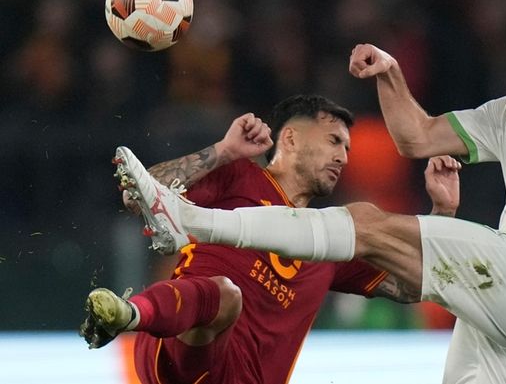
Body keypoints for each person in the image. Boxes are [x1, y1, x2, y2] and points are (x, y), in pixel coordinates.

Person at [111, 5, 506, 383]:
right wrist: (391, 74)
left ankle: (189, 218)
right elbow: (415, 137)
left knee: (363, 218)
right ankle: (186, 218)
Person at [80, 94, 462, 384]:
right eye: (333, 141)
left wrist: (442, 216)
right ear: (291, 139)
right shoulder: (239, 177)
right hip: (181, 350)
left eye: (346, 148)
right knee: (225, 295)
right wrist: (224, 151)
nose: (343, 157)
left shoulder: (330, 238)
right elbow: (137, 195)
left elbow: (412, 286)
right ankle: (129, 315)